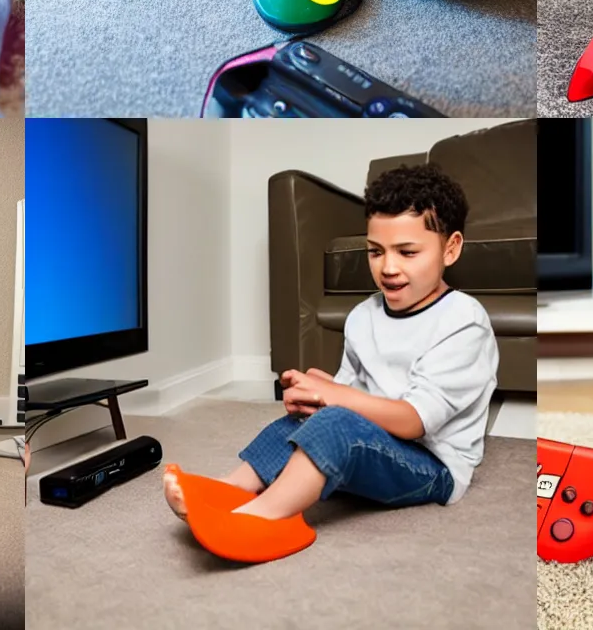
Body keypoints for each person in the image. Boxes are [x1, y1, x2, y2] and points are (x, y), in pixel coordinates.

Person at [163, 165, 499, 562]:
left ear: (451, 248)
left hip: (432, 465)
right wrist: (319, 395)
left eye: (407, 252)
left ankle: (265, 515)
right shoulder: (363, 315)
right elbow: (350, 396)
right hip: (376, 440)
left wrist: (336, 399)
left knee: (336, 424)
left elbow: (413, 422)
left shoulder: (464, 322)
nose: (388, 267)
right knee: (307, 421)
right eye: (376, 251)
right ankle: (232, 489)